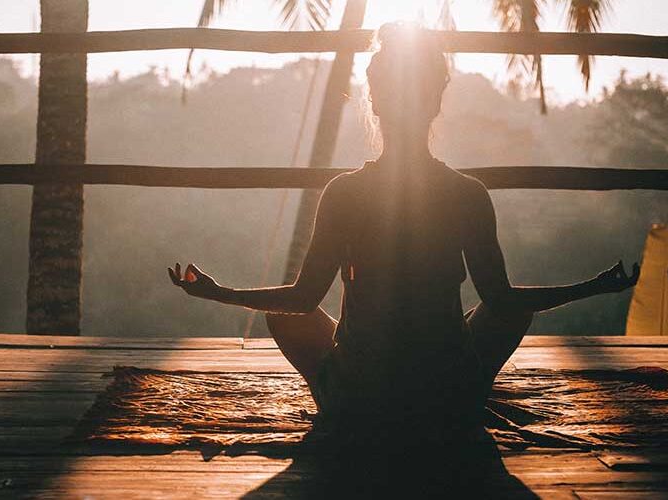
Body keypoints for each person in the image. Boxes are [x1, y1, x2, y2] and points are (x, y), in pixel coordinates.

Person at [168, 22, 639, 440]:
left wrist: (219, 292)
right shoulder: (466, 193)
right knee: (508, 309)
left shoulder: (345, 192)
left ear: (374, 102)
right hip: (447, 400)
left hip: (362, 401)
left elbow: (302, 299)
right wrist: (593, 287)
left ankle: (337, 401)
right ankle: (462, 391)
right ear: (435, 101)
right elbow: (502, 299)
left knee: (284, 315)